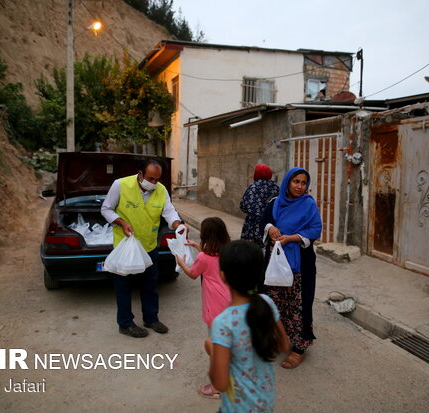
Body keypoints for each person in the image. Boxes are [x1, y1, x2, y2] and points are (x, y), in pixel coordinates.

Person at [101, 159, 187, 338]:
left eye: (157, 179)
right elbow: (106, 209)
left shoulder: (161, 190)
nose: (154, 183)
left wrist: (177, 224)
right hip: (126, 246)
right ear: (140, 174)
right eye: (150, 178)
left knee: (150, 285)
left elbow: (169, 211)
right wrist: (121, 222)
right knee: (123, 286)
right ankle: (125, 323)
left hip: (149, 245)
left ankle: (151, 318)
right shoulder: (120, 185)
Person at [206, 240, 289, 412]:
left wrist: (212, 350)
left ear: (223, 276)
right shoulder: (266, 302)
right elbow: (284, 345)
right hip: (265, 402)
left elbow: (220, 384)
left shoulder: (223, 323)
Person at [261, 167, 322, 369]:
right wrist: (270, 229)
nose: (299, 186)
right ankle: (279, 338)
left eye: (304, 183)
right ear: (288, 182)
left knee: (297, 304)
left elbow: (315, 230)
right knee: (275, 300)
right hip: (275, 261)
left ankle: (299, 348)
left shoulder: (308, 205)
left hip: (299, 264)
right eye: (296, 181)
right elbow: (264, 220)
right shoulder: (275, 202)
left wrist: (292, 238)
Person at [175, 217, 231, 400]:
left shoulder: (203, 258)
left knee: (216, 349)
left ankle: (217, 387)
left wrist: (181, 261)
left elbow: (192, 274)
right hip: (230, 305)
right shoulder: (228, 253)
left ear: (205, 235)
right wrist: (198, 248)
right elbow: (211, 261)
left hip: (214, 309)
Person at [239, 164, 279, 247]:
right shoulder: (276, 187)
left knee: (251, 249)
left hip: (254, 223)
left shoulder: (253, 187)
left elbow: (243, 205)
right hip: (270, 223)